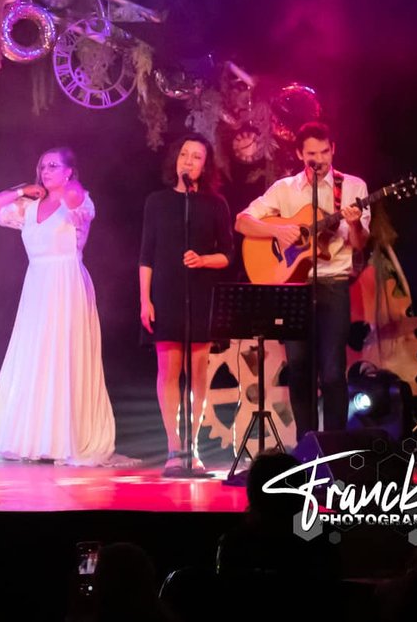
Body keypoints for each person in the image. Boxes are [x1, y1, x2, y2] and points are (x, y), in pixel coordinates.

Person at [0, 147, 117, 465]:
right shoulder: (29, 208)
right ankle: (33, 437)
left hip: (67, 282)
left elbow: (75, 197)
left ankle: (65, 439)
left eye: (54, 166)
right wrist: (22, 191)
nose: (46, 171)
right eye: (42, 166)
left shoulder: (77, 198)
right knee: (34, 356)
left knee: (64, 355)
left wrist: (64, 185)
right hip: (37, 285)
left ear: (69, 171)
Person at [236, 121, 369, 440]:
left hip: (334, 283)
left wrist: (354, 225)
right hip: (293, 287)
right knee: (299, 368)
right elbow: (242, 221)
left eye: (324, 152)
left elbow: (360, 244)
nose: (319, 159)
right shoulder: (284, 189)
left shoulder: (353, 187)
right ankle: (306, 445)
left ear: (333, 150)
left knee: (333, 371)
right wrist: (277, 230)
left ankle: (335, 445)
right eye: (311, 154)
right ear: (299, 154)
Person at [139, 134, 235, 474]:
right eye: (184, 154)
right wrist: (145, 300)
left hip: (201, 295)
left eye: (196, 157)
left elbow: (228, 255)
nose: (189, 161)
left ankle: (192, 448)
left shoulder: (216, 204)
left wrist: (204, 259)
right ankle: (173, 448)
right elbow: (146, 255)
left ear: (205, 166)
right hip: (165, 294)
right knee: (168, 372)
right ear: (175, 160)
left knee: (197, 374)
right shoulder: (157, 201)